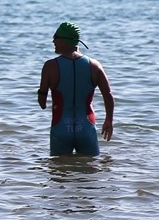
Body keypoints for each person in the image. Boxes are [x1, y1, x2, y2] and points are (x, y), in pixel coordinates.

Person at [37, 21, 114, 155]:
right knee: (90, 172)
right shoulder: (94, 65)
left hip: (60, 127)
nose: (53, 41)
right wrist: (109, 120)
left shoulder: (50, 66)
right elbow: (108, 95)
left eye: (56, 38)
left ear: (65, 41)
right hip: (86, 127)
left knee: (59, 171)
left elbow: (42, 103)